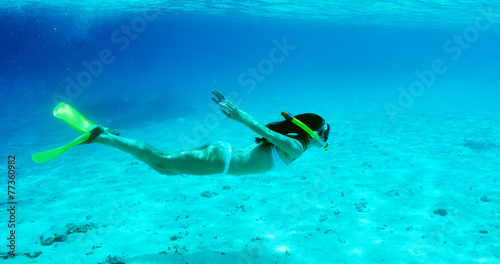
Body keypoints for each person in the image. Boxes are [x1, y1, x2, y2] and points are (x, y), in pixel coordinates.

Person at [33, 90, 330, 175]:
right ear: (313, 133)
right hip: (221, 161)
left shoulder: (295, 144)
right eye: (325, 134)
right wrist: (239, 115)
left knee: (165, 169)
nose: (326, 140)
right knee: (162, 160)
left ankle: (111, 136)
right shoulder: (297, 148)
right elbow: (263, 129)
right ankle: (102, 136)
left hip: (222, 153)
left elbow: (266, 134)